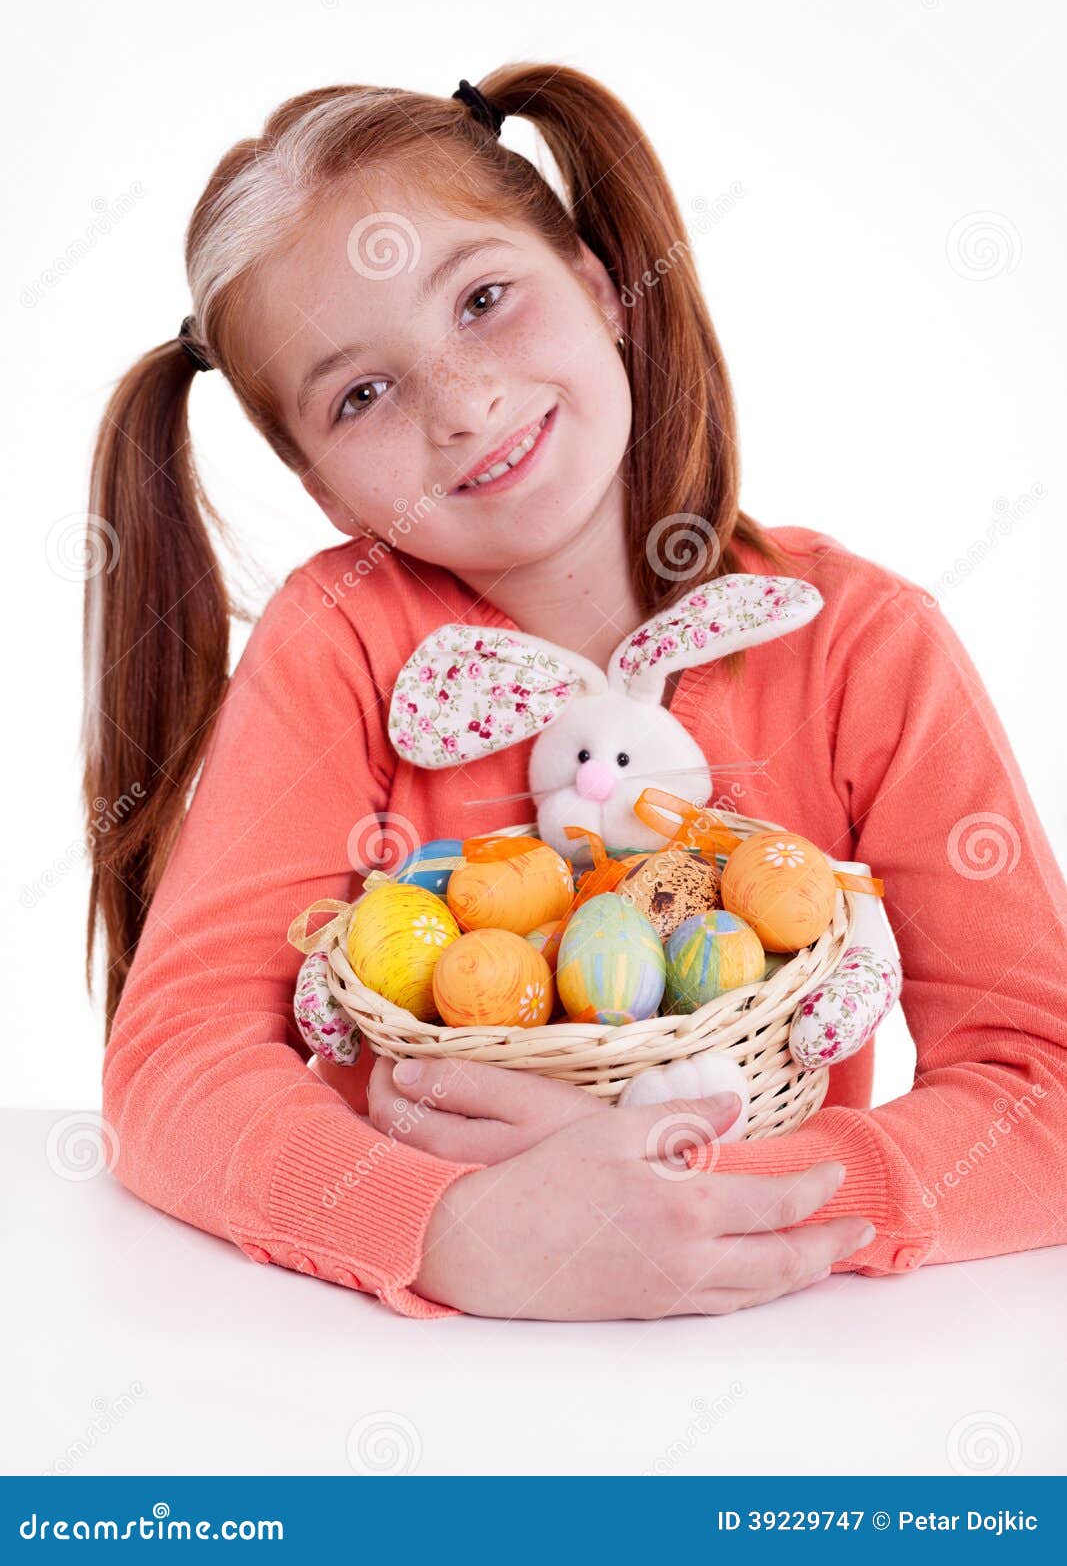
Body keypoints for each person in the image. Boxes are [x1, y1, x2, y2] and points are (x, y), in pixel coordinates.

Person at [86, 65, 1067, 1321]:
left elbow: (1040, 1080)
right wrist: (445, 1229)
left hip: (766, 1370)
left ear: (602, 290)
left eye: (483, 300)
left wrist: (690, 1204)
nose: (462, 403)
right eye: (361, 394)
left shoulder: (863, 646)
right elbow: (176, 1065)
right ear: (326, 491)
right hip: (384, 1384)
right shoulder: (339, 642)